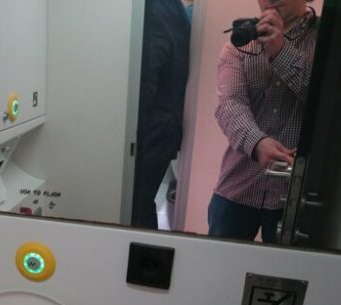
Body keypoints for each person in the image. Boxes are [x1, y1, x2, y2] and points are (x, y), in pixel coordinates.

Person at [208, 0, 318, 243]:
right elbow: (230, 105)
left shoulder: (328, 40)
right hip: (238, 184)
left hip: (296, 194)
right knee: (218, 263)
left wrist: (281, 51)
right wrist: (256, 143)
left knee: (287, 268)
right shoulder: (240, 43)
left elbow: (326, 103)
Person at [131, 0, 191, 229]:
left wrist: (123, 125)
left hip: (150, 130)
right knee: (141, 206)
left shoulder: (151, 6)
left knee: (135, 208)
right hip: (163, 126)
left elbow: (146, 75)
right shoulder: (172, 7)